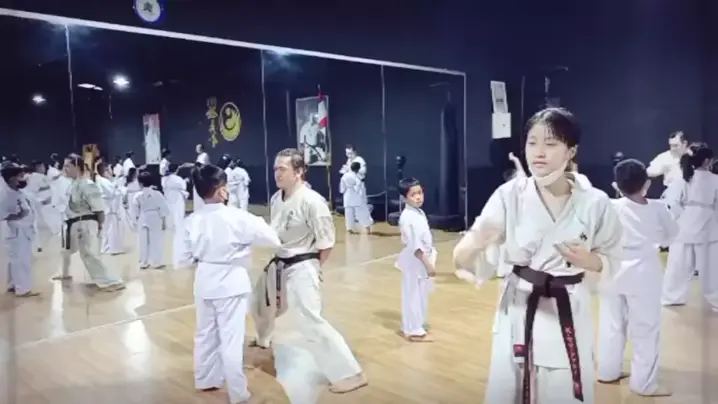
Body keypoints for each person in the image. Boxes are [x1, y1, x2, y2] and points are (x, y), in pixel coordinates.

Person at [453, 108, 622, 404]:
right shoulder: (510, 194)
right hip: (519, 304)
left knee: (563, 387)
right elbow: (476, 244)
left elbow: (613, 257)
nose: (539, 152)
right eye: (532, 143)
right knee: (511, 382)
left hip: (568, 307)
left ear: (571, 151)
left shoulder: (595, 202)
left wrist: (590, 261)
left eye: (551, 143)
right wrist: (471, 246)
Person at [250, 148, 367, 401]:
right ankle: (263, 339)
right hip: (280, 262)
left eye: (282, 169)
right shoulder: (276, 198)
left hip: (302, 265)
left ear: (299, 171)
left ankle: (350, 373)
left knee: (309, 320)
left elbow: (326, 243)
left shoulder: (313, 201)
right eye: (275, 169)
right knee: (259, 303)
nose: (277, 173)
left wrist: (313, 268)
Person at [180, 164, 280, 404]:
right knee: (231, 339)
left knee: (205, 333)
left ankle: (205, 379)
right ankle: (238, 393)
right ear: (221, 190)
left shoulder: (191, 221)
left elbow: (182, 259)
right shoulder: (238, 217)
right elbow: (273, 240)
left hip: (204, 280)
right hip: (232, 282)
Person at [597, 159, 676, 397]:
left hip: (611, 270)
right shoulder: (659, 208)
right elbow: (671, 236)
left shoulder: (609, 207)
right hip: (644, 272)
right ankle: (643, 383)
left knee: (611, 323)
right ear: (647, 184)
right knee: (646, 328)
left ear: (616, 185)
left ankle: (607, 371)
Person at [52, 154, 125, 292]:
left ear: (76, 166)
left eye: (68, 166)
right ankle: (64, 273)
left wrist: (100, 225)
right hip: (73, 223)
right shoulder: (72, 184)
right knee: (66, 250)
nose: (65, 169)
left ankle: (111, 282)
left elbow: (99, 209)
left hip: (85, 223)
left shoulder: (87, 185)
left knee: (90, 255)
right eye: (64, 166)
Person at [662, 142, 718, 310]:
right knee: (711, 269)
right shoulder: (715, 180)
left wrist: (682, 217)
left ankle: (671, 296)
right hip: (709, 229)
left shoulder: (682, 179)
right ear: (707, 160)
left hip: (683, 228)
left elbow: (671, 203)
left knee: (678, 266)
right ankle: (715, 298)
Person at [396, 177, 436, 342]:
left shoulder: (418, 212)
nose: (418, 197)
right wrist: (428, 264)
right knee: (413, 293)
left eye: (420, 193)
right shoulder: (407, 217)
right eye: (413, 194)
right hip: (416, 259)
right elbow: (415, 245)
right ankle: (413, 330)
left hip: (422, 257)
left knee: (420, 293)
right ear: (404, 198)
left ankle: (415, 325)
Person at [1, 163, 38, 297]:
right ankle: (23, 288)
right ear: (12, 178)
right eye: (20, 176)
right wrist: (16, 216)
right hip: (16, 231)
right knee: (22, 260)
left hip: (22, 230)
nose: (24, 178)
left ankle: (13, 284)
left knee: (14, 260)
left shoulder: (16, 191)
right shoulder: (5, 195)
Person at [130, 171, 169, 269]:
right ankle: (156, 262)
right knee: (156, 240)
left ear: (140, 183)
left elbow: (135, 210)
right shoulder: (157, 194)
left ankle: (144, 262)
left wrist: (136, 220)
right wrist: (164, 221)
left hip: (143, 216)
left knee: (142, 240)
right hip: (155, 217)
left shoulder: (137, 195)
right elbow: (163, 208)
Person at [162, 163, 190, 268]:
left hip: (168, 198)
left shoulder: (164, 179)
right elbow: (183, 186)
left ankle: (171, 228)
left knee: (170, 215)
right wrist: (185, 181)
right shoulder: (178, 179)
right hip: (177, 199)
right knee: (178, 215)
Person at [94, 162, 125, 255]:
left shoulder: (102, 180)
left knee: (106, 228)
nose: (110, 171)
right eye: (108, 169)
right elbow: (113, 192)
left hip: (106, 205)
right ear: (104, 170)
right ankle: (112, 248)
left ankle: (106, 247)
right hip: (108, 206)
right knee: (110, 228)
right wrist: (120, 190)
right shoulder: (103, 181)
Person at [26, 160, 56, 251]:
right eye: (42, 166)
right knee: (44, 228)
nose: (44, 168)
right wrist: (41, 201)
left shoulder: (42, 176)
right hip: (42, 206)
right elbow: (31, 193)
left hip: (48, 206)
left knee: (50, 228)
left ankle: (44, 246)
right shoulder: (34, 177)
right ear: (38, 167)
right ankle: (39, 246)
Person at [340, 161, 373, 234]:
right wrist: (361, 195)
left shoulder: (344, 176)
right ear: (358, 169)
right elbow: (359, 187)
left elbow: (342, 188)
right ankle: (367, 227)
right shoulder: (357, 176)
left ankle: (349, 229)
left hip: (347, 196)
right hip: (355, 196)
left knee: (348, 213)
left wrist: (344, 191)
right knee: (361, 212)